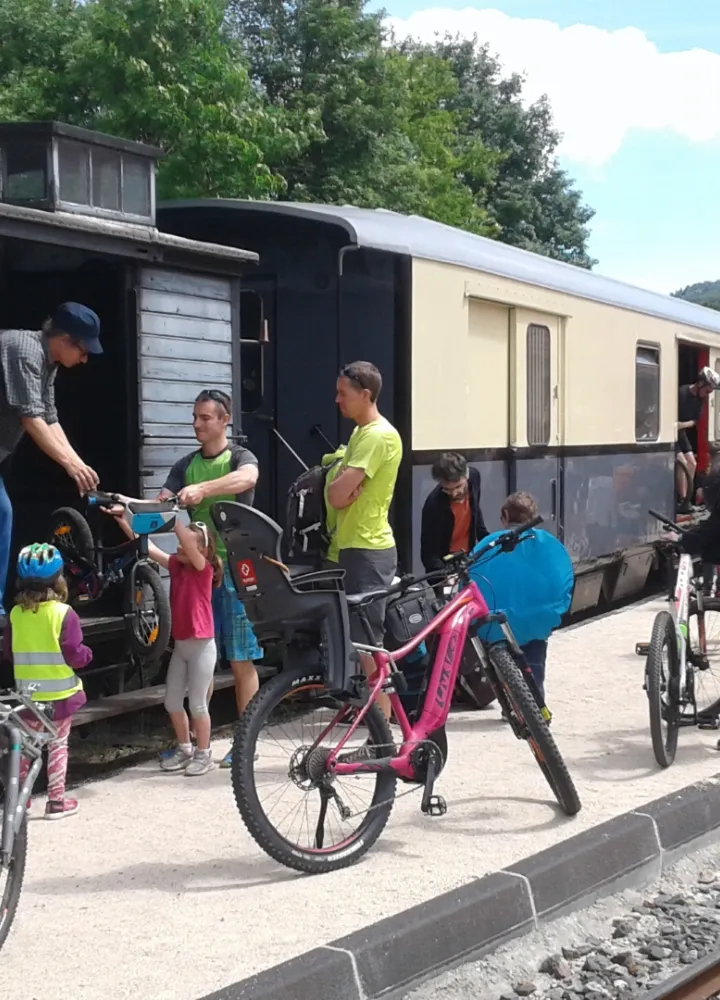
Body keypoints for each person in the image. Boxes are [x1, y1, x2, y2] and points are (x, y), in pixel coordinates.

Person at [159, 389, 261, 768]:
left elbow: (247, 478)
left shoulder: (240, 457)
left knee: (240, 659)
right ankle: (194, 746)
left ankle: (246, 743)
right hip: (196, 575)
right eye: (195, 417)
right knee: (198, 661)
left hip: (235, 572)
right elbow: (163, 501)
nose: (197, 424)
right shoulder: (185, 463)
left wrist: (203, 489)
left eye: (205, 418)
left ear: (225, 420)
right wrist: (131, 509)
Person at [0, 304, 102, 621]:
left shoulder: (49, 362)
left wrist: (78, 464)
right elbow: (31, 418)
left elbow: (50, 418)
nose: (84, 359)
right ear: (64, 339)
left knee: (3, 514)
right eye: (83, 351)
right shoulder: (22, 349)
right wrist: (70, 467)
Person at [108, 507, 222, 775]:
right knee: (172, 702)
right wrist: (125, 519)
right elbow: (147, 545)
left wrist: (173, 518)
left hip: (202, 647)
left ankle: (204, 754)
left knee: (197, 704)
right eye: (180, 542)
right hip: (182, 647)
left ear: (203, 550)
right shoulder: (176, 566)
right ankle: (185, 749)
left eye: (187, 543)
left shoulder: (202, 569)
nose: (180, 545)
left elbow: (186, 541)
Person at [327, 362, 402, 720]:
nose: (337, 399)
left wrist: (341, 485)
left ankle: (383, 729)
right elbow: (337, 490)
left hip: (368, 550)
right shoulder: (360, 433)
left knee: (371, 645)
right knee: (360, 642)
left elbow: (337, 495)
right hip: (354, 547)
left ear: (365, 395)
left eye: (344, 393)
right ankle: (371, 717)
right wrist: (341, 485)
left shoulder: (375, 436)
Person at [3, 543, 92, 818]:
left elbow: (7, 651)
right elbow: (75, 655)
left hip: (27, 699)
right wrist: (87, 655)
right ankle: (56, 802)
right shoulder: (64, 614)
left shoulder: (16, 615)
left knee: (27, 748)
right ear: (59, 579)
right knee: (57, 746)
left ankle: (21, 800)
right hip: (60, 699)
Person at [470, 492, 574, 703]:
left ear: (505, 515)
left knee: (501, 664)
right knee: (534, 664)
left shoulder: (488, 544)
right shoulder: (549, 544)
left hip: (494, 625)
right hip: (537, 621)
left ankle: (508, 702)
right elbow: (564, 580)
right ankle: (536, 704)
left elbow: (470, 582)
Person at [420, 452, 488, 574]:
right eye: (447, 489)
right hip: (445, 563)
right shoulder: (433, 505)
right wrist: (443, 575)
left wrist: (486, 539)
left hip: (469, 555)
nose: (454, 493)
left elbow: (475, 511)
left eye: (458, 486)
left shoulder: (474, 477)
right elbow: (428, 552)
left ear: (466, 475)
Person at [676, 368, 720, 510]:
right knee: (682, 462)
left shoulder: (700, 400)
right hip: (670, 433)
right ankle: (682, 500)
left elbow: (695, 421)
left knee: (692, 463)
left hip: (680, 431)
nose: (707, 395)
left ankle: (687, 499)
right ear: (700, 383)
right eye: (707, 391)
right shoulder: (680, 392)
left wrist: (681, 425)